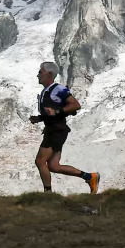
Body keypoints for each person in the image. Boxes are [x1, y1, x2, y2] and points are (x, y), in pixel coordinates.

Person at [31, 63, 99, 193]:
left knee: (40, 161)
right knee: (54, 166)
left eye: (40, 72)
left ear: (49, 74)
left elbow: (75, 105)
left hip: (56, 131)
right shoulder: (46, 91)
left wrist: (56, 111)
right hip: (55, 130)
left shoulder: (58, 89)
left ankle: (48, 194)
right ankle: (90, 177)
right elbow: (52, 113)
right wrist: (39, 118)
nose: (38, 75)